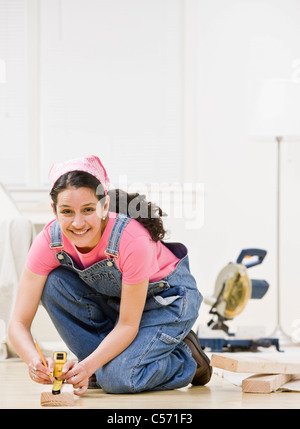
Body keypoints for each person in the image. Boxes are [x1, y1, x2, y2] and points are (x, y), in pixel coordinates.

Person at [8, 155, 211, 395]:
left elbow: (127, 324)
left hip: (167, 302)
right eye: (66, 211)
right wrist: (34, 361)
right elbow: (18, 323)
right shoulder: (49, 242)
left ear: (104, 206)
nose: (78, 222)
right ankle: (108, 367)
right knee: (53, 283)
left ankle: (186, 357)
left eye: (88, 209)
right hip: (119, 305)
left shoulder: (131, 239)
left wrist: (88, 365)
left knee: (118, 379)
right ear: (54, 210)